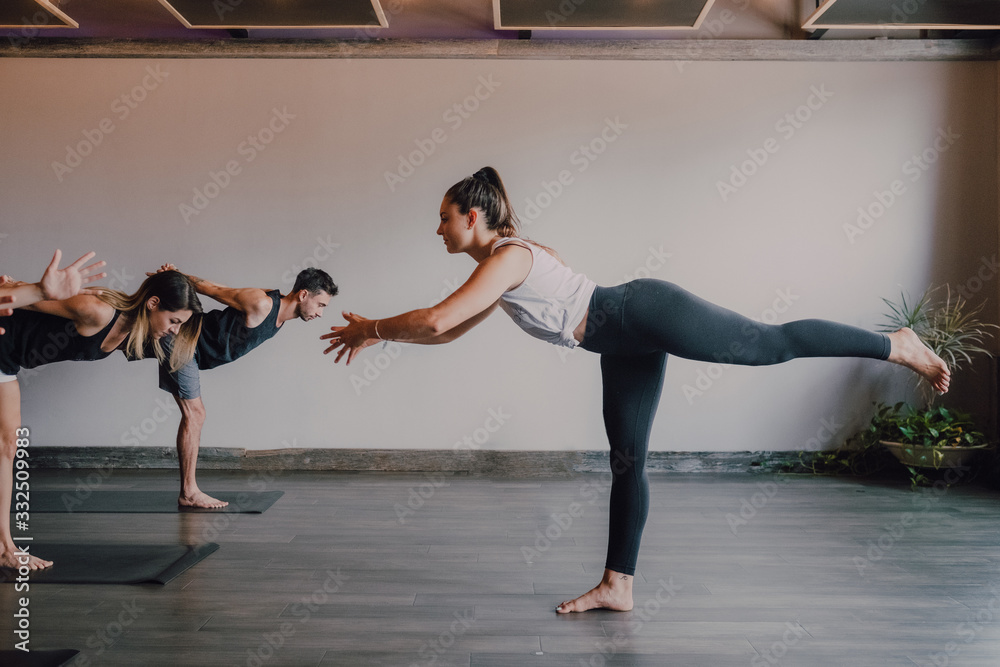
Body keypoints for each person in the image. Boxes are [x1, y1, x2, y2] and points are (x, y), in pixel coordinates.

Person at [320, 166, 951, 614]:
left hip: (639, 311)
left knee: (768, 344)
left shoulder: (509, 258)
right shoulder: (499, 268)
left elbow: (435, 319)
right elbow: (446, 333)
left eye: (443, 218)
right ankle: (617, 585)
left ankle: (894, 343)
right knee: (628, 462)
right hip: (619, 342)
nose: (438, 230)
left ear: (473, 216)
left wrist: (374, 327)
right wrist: (383, 338)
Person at [0, 264, 203, 571]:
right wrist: (12, 286)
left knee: (7, 445)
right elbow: (23, 297)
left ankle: (4, 548)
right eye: (174, 320)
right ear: (153, 304)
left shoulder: (128, 331)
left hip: (8, 360)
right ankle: (5, 547)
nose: (174, 329)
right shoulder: (99, 312)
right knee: (5, 445)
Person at [150, 265, 338, 508]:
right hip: (183, 339)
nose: (321, 313)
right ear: (303, 295)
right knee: (195, 414)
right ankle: (188, 493)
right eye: (321, 305)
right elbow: (215, 289)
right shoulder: (262, 303)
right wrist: (174, 276)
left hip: (197, 351)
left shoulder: (276, 305)